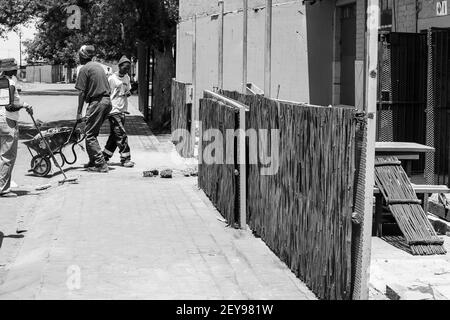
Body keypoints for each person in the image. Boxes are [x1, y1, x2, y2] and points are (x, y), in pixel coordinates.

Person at [75, 45, 112, 173]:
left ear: (84, 56)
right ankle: (93, 161)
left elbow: (81, 92)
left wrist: (79, 112)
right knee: (91, 132)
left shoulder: (85, 69)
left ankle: (101, 164)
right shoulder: (98, 66)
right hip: (106, 101)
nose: (78, 58)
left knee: (89, 134)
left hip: (98, 102)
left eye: (79, 55)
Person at [0, 59, 32, 197]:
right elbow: (10, 106)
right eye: (15, 68)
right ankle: (3, 189)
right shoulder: (10, 83)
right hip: (7, 121)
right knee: (8, 155)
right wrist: (24, 106)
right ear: (11, 70)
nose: (17, 70)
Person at [102, 56, 135, 168]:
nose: (127, 70)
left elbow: (127, 90)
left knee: (114, 135)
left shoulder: (127, 77)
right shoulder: (111, 79)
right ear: (119, 66)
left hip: (122, 110)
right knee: (121, 134)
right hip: (113, 110)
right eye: (125, 68)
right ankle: (125, 159)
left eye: (128, 69)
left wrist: (128, 93)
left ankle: (104, 157)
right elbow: (106, 94)